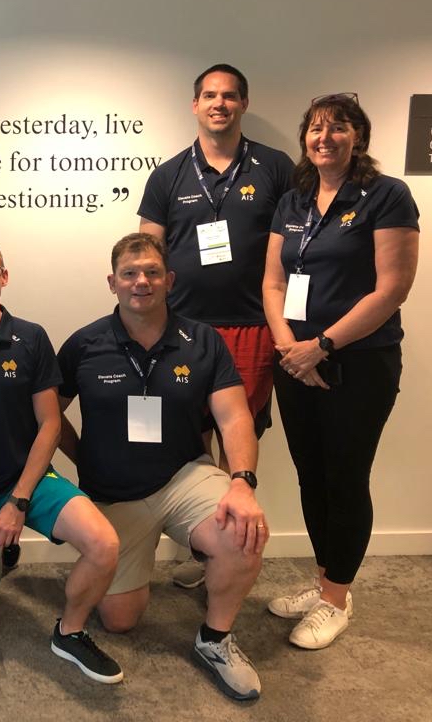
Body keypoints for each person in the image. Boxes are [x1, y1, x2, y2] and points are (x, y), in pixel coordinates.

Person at [58, 233, 268, 701]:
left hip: (183, 477)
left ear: (169, 280)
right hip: (114, 495)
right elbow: (49, 418)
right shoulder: (84, 344)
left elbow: (234, 415)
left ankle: (214, 640)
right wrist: (81, 458)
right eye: (130, 274)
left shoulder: (204, 340)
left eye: (152, 272)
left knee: (242, 530)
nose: (141, 282)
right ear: (112, 282)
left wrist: (242, 483)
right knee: (119, 622)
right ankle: (142, 556)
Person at [0, 239, 123, 684]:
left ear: (4, 277)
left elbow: (50, 425)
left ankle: (69, 631)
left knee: (104, 543)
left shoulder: (30, 337)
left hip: (30, 482)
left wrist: (19, 500)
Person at [263, 93, 419, 649]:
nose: (324, 137)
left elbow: (392, 287)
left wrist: (321, 346)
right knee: (311, 474)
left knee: (345, 477)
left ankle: (335, 600)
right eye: (315, 129)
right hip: (294, 362)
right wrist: (289, 348)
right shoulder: (294, 199)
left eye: (338, 128)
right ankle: (327, 580)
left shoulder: (385, 195)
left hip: (358, 363)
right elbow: (273, 284)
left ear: (360, 137)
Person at [138, 63, 294, 589]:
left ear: (243, 104)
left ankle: (230, 548)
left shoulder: (275, 168)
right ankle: (202, 542)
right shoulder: (168, 175)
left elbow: (298, 248)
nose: (219, 104)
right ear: (195, 105)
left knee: (239, 439)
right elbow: (147, 253)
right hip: (183, 328)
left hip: (252, 326)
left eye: (229, 96)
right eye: (209, 95)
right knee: (186, 438)